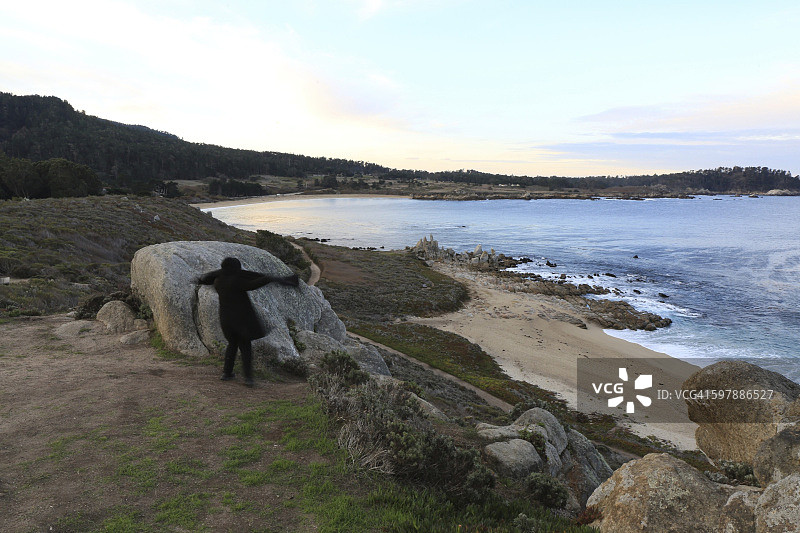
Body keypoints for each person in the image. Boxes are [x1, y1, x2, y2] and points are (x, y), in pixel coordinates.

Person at [197, 257, 299, 387]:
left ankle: (226, 373)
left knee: (232, 345)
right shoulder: (237, 281)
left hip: (226, 320)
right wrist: (271, 278)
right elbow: (253, 284)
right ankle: (248, 378)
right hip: (241, 321)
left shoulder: (218, 280)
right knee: (245, 347)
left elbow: (212, 276)